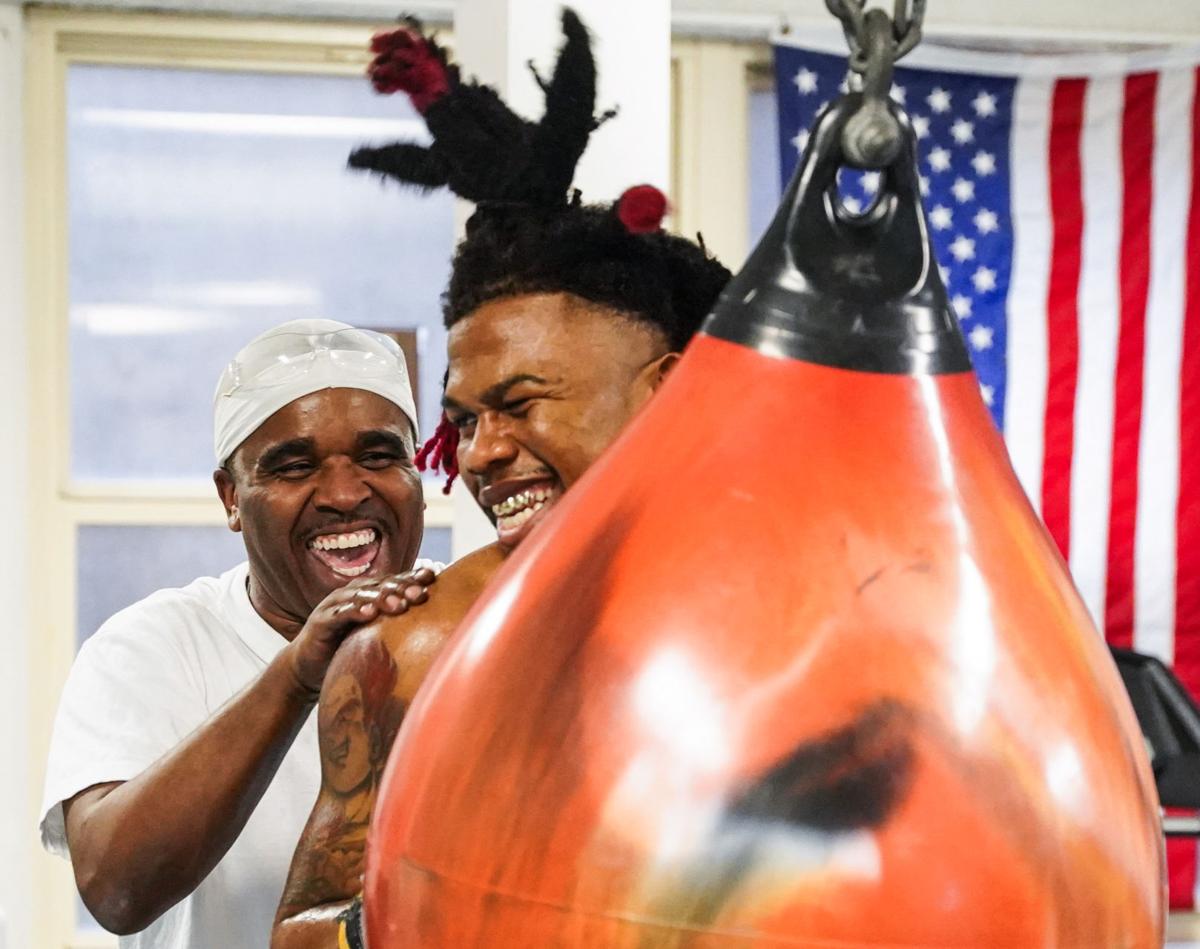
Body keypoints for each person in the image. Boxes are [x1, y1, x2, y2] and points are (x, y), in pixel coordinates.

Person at [272, 13, 731, 948]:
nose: (480, 452)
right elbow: (299, 934)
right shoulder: (408, 645)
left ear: (668, 390)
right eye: (466, 417)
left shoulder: (814, 613)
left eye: (521, 403)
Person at [40, 319, 440, 949]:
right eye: (293, 467)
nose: (343, 493)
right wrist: (294, 676)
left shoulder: (481, 622)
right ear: (231, 497)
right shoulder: (152, 649)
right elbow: (115, 889)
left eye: (379, 456)